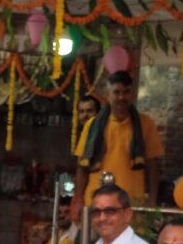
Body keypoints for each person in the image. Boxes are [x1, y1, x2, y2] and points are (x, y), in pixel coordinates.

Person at [70, 71, 164, 222]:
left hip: (131, 204)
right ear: (108, 95)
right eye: (117, 92)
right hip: (97, 203)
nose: (121, 97)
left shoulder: (146, 124)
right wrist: (78, 199)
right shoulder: (92, 125)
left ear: (132, 94)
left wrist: (152, 201)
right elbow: (82, 166)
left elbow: (153, 165)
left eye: (126, 92)